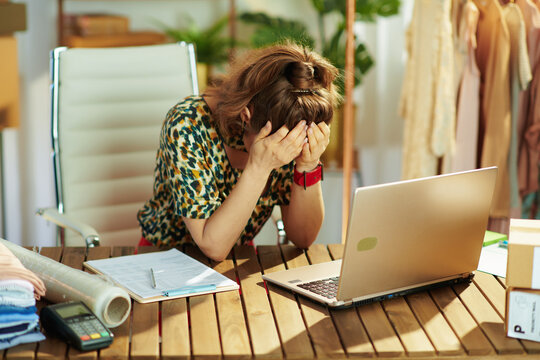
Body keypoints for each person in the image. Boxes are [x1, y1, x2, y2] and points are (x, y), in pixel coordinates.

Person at [137, 43, 340, 261]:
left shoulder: (289, 118)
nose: (286, 153)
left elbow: (303, 238)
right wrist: (259, 167)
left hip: (237, 259)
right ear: (246, 115)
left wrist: (308, 165)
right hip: (165, 260)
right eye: (280, 145)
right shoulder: (187, 124)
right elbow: (213, 247)